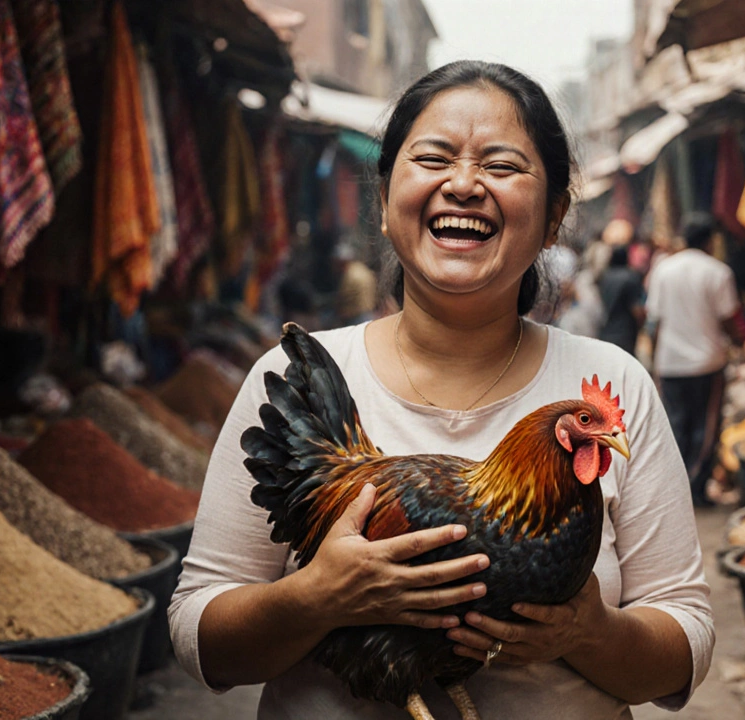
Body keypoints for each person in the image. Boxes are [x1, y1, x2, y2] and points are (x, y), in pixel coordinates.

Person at [169, 61, 713, 719]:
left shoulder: (616, 381)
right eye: (433, 159)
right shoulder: (286, 377)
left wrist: (591, 632)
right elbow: (200, 633)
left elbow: (685, 640)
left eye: (503, 166)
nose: (463, 184)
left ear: (553, 218)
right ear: (385, 200)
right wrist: (315, 598)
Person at [644, 213, 743, 507]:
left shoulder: (663, 270)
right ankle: (695, 490)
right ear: (710, 241)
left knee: (675, 425)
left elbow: (654, 321)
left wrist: (654, 361)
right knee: (705, 427)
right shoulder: (718, 272)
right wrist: (741, 343)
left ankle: (676, 489)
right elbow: (729, 320)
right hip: (707, 363)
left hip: (670, 363)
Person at [596, 245, 645, 353]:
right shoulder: (630, 277)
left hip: (605, 331)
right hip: (624, 334)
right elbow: (636, 309)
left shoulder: (604, 277)